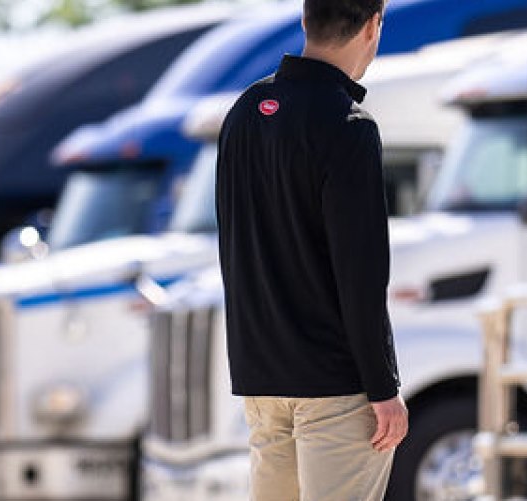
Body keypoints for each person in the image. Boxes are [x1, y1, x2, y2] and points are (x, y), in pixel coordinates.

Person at [213, 0, 405, 499]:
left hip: (261, 376)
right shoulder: (349, 125)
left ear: (304, 20)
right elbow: (360, 275)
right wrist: (384, 389)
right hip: (334, 383)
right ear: (372, 25)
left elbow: (233, 245)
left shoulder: (244, 112)